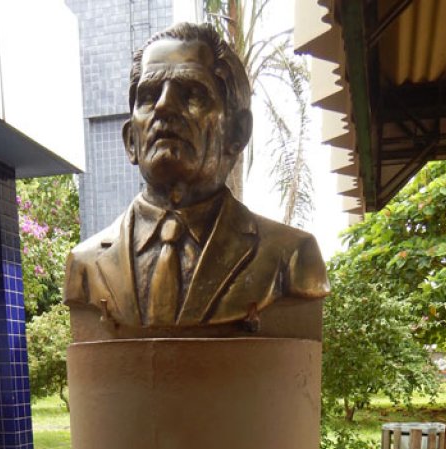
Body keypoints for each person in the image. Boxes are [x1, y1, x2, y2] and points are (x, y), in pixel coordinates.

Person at [64, 22, 327, 333]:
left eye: (191, 94)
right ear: (130, 141)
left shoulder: (291, 256)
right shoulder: (85, 265)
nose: (163, 106)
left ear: (238, 132)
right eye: (148, 96)